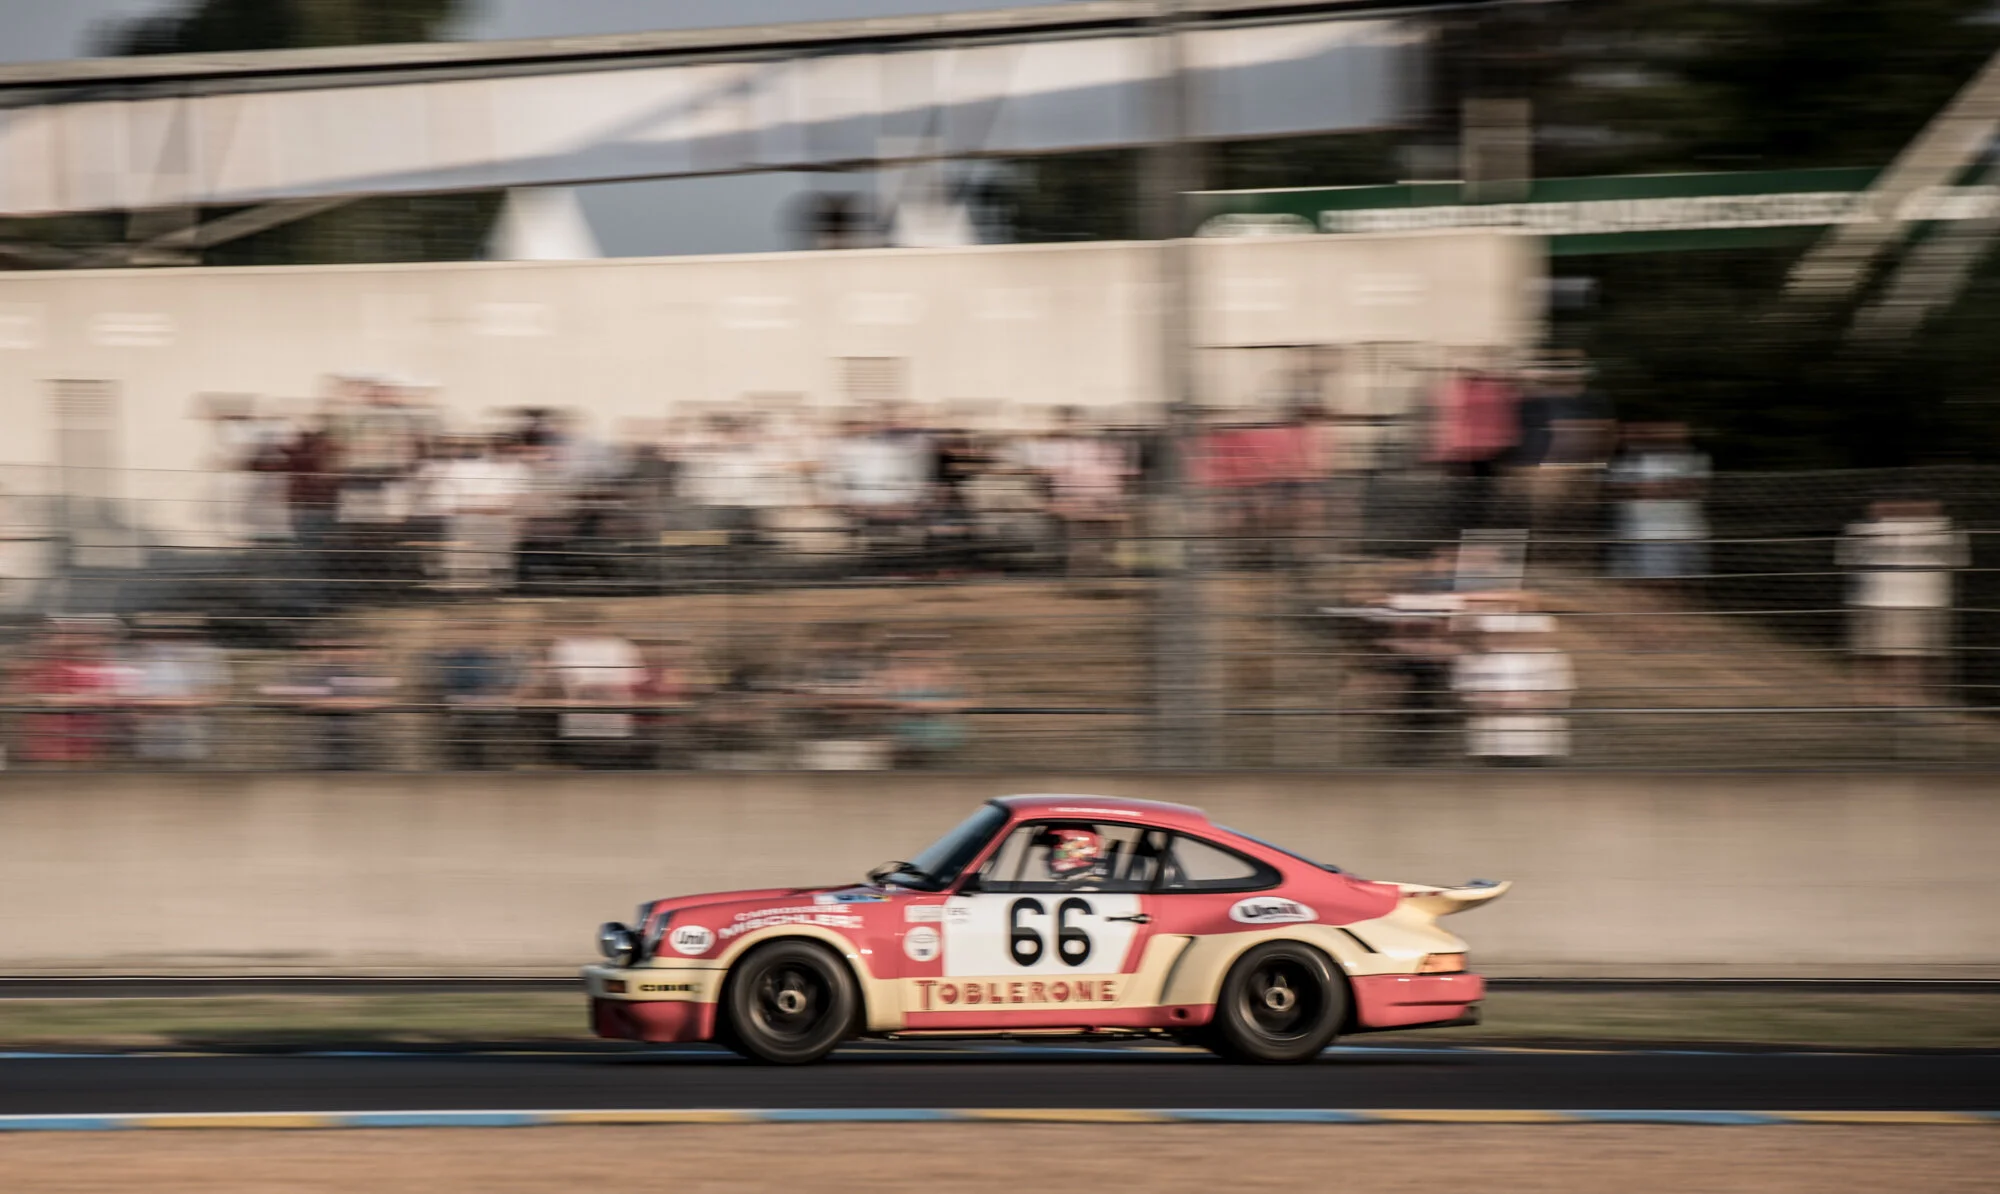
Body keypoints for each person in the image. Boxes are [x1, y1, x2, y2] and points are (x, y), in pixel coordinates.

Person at [1838, 497, 1969, 708]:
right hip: (1880, 599)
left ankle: (1904, 701)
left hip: (1922, 601)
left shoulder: (1942, 530)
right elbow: (1848, 559)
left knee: (1909, 655)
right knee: (1890, 654)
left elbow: (1958, 560)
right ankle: (1877, 699)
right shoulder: (1865, 529)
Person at [1452, 613, 1575, 765]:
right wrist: (1501, 702)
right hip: (1490, 740)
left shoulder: (1553, 657)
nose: (1507, 639)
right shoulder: (1472, 658)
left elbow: (1558, 695)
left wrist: (1521, 703)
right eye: (1499, 635)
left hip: (1538, 739)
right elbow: (1467, 695)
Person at [262, 640, 399, 770]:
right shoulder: (307, 672)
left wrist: (327, 702)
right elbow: (273, 691)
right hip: (315, 748)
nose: (346, 653)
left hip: (363, 748)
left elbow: (389, 697)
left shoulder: (368, 672)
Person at [1606, 422, 1710, 584]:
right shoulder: (1627, 461)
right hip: (1645, 536)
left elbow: (1692, 487)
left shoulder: (1693, 458)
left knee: (1689, 586)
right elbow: (1618, 489)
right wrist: (1663, 487)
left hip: (1686, 535)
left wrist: (1647, 488)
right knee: (1655, 586)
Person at [124, 617, 230, 765]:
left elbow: (218, 693)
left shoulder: (206, 655)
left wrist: (179, 704)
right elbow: (125, 692)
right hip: (150, 730)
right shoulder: (139, 654)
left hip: (188, 729)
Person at [544, 617, 648, 768]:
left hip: (613, 701)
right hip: (580, 702)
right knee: (584, 748)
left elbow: (633, 676)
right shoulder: (565, 645)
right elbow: (560, 676)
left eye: (593, 626)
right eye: (584, 626)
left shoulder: (620, 646)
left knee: (612, 748)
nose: (589, 631)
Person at [880, 637, 975, 768]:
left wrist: (929, 706)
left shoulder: (953, 675)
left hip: (942, 741)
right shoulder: (892, 675)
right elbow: (885, 702)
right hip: (905, 742)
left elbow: (968, 703)